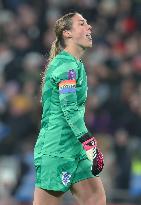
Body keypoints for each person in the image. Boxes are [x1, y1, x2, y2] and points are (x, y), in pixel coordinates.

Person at [33, 12, 106, 205]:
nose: (89, 27)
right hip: (56, 149)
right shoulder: (65, 67)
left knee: (95, 198)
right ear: (67, 33)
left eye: (88, 24)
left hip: (75, 147)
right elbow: (69, 109)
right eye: (82, 24)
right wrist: (90, 144)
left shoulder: (75, 65)